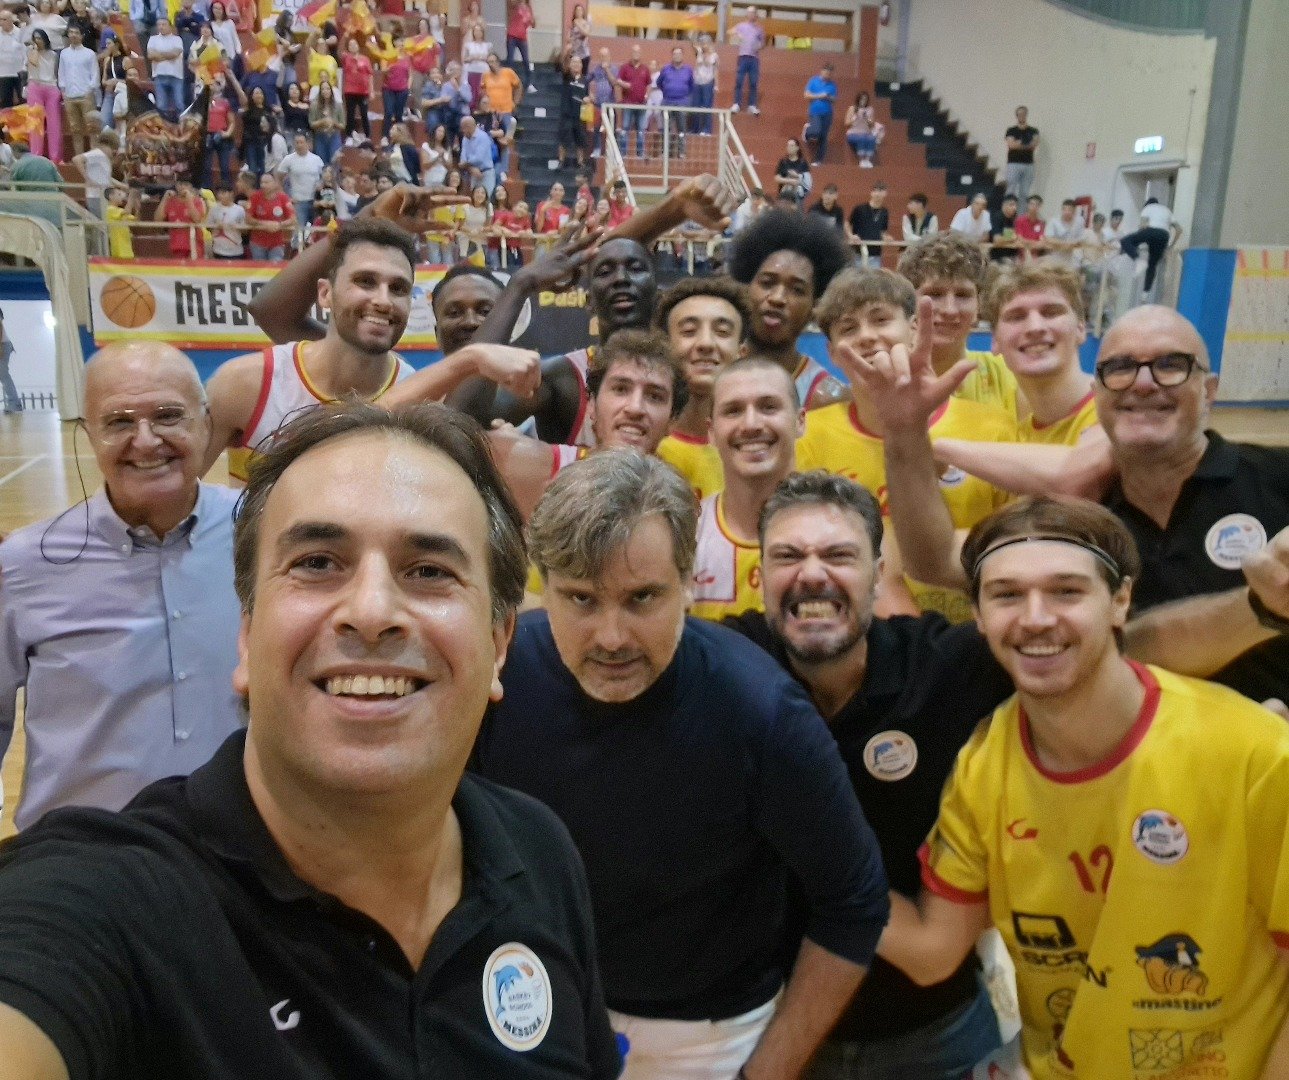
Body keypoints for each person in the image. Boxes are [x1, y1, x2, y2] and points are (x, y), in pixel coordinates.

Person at [0, 402, 625, 1079]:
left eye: (429, 571)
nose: (372, 612)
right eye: (319, 561)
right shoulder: (115, 901)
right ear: (245, 633)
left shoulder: (538, 850)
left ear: (499, 646)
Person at [474, 450, 890, 1079]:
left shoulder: (763, 714)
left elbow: (854, 904)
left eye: (641, 598)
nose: (612, 637)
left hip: (706, 1039)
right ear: (543, 586)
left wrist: (765, 1074)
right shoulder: (494, 681)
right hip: (527, 1000)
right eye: (582, 600)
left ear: (688, 581)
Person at [880, 495, 1289, 1079]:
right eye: (1007, 595)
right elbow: (933, 952)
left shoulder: (1252, 752)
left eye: (1067, 591)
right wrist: (805, 839)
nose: (1036, 617)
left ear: (1120, 600)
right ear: (977, 612)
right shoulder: (985, 762)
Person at [0, 343, 243, 832]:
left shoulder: (261, 530)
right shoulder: (22, 564)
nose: (146, 441)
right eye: (119, 422)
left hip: (236, 849)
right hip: (79, 859)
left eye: (168, 416)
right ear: (88, 433)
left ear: (205, 421)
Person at [215, 212, 540, 480]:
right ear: (325, 293)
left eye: (398, 288)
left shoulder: (422, 405)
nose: (383, 301)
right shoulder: (246, 383)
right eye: (365, 282)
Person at [797, 268, 1013, 621]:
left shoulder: (992, 427)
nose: (867, 336)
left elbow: (1015, 543)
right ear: (833, 353)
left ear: (914, 330)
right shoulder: (809, 438)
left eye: (880, 319)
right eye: (849, 328)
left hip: (973, 633)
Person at [689, 358, 801, 620]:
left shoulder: (842, 530)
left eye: (769, 407)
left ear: (801, 421)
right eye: (733, 411)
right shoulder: (683, 537)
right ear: (711, 432)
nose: (751, 424)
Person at [726, 206, 852, 409]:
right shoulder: (713, 376)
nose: (777, 298)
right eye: (767, 283)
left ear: (815, 307)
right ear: (745, 288)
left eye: (797, 290)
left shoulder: (829, 399)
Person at [897, 231, 1019, 416]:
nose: (950, 310)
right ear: (907, 303)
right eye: (935, 294)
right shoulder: (888, 380)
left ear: (979, 305)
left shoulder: (1009, 373)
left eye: (963, 295)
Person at [654, 275, 751, 501]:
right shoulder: (644, 446)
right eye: (689, 331)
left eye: (722, 332)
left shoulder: (759, 449)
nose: (706, 344)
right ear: (664, 347)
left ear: (742, 353)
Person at [1120, 197, 1182, 292]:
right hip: (1164, 236)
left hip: (1151, 231)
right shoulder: (1166, 210)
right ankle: (1145, 293)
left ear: (1147, 205)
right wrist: (1171, 246)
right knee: (1152, 264)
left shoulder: (1148, 208)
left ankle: (1138, 260)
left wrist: (1135, 245)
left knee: (1125, 241)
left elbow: (1143, 227)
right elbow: (1179, 229)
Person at [55, 23, 97, 157]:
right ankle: (79, 156)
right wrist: (63, 90)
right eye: (71, 32)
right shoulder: (64, 53)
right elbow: (61, 72)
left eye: (76, 32)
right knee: (75, 129)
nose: (73, 35)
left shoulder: (89, 54)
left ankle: (93, 155)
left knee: (91, 128)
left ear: (82, 36)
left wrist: (89, 91)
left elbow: (94, 74)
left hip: (85, 95)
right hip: (69, 95)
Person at [276, 132, 325, 245]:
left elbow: (323, 177)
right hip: (298, 202)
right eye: (296, 142)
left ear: (307, 143)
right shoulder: (288, 159)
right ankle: (296, 256)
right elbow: (279, 177)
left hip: (315, 202)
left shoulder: (316, 159)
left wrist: (321, 185)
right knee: (298, 234)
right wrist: (285, 196)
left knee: (315, 232)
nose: (299, 145)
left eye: (301, 142)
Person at [24, 30, 61, 162]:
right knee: (35, 123)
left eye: (40, 38)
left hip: (51, 87)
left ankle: (55, 157)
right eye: (35, 38)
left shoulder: (53, 55)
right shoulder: (30, 52)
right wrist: (34, 48)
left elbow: (57, 72)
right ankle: (36, 156)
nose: (37, 41)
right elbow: (34, 62)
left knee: (54, 124)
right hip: (35, 86)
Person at [245, 170, 295, 261]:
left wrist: (279, 225)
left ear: (275, 183)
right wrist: (265, 224)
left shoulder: (283, 198)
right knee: (259, 271)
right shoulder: (254, 197)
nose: (263, 185)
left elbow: (292, 219)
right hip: (257, 242)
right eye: (261, 182)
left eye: (266, 182)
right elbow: (248, 218)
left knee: (275, 269)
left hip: (277, 243)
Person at [155, 179, 207, 260]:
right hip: (176, 245)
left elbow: (197, 219)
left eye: (186, 184)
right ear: (176, 185)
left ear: (191, 187)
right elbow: (158, 220)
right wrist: (164, 199)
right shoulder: (170, 201)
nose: (182, 187)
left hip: (195, 245)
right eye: (180, 184)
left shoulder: (198, 201)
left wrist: (189, 200)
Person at [655, 47, 692, 160]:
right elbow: (659, 83)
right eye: (675, 54)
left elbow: (691, 85)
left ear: (682, 56)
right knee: (666, 128)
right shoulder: (665, 69)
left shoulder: (688, 70)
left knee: (682, 129)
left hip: (682, 103)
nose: (677, 56)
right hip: (667, 102)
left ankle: (681, 153)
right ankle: (666, 152)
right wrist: (668, 91)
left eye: (679, 54)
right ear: (672, 56)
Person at [147, 17, 186, 120]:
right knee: (161, 105)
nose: (161, 27)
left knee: (179, 104)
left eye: (164, 24)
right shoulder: (153, 39)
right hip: (159, 75)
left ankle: (181, 125)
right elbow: (150, 55)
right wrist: (167, 55)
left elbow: (175, 54)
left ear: (169, 26)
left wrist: (159, 55)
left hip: (176, 75)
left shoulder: (177, 39)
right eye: (159, 25)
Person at [615, 42, 649, 158]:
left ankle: (640, 153)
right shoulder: (625, 67)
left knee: (641, 129)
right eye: (634, 52)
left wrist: (647, 95)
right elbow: (618, 81)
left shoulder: (645, 68)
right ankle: (623, 153)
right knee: (625, 128)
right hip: (628, 103)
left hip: (641, 104)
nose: (636, 54)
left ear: (641, 54)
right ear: (631, 53)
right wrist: (626, 85)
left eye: (638, 52)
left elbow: (648, 84)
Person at [846, 182, 891, 269]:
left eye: (881, 191)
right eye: (875, 191)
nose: (878, 194)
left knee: (873, 281)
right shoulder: (860, 209)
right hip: (857, 253)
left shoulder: (885, 212)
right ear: (871, 193)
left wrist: (886, 237)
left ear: (885, 194)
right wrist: (851, 236)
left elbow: (882, 230)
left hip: (875, 254)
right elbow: (847, 224)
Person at [729, 5, 763, 115]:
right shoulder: (741, 25)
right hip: (743, 56)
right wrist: (737, 34)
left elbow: (762, 43)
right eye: (749, 12)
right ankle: (736, 104)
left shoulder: (759, 29)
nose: (750, 14)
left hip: (754, 58)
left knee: (753, 82)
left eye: (752, 12)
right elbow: (729, 32)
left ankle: (752, 105)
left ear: (756, 14)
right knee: (739, 81)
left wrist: (759, 46)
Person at [1003, 105, 1038, 205]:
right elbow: (1011, 145)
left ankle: (1021, 217)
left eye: (1023, 114)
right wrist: (1026, 145)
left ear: (1026, 115)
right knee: (1011, 190)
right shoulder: (1011, 130)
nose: (1021, 116)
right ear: (1017, 116)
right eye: (1019, 114)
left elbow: (1034, 144)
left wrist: (1018, 144)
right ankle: (1009, 216)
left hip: (1029, 164)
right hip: (1013, 164)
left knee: (1024, 193)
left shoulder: (1033, 131)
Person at [802, 61, 836, 166]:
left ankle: (818, 160)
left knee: (823, 136)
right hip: (815, 112)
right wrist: (819, 96)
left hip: (827, 113)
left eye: (830, 73)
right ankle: (807, 131)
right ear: (822, 71)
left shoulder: (832, 85)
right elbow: (806, 95)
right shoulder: (814, 81)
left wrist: (828, 97)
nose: (828, 74)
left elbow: (834, 99)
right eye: (826, 72)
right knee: (815, 131)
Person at [457, 113, 497, 197]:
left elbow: (479, 158)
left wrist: (465, 164)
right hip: (473, 173)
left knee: (485, 199)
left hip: (486, 173)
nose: (462, 130)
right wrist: (470, 168)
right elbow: (463, 157)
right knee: (474, 200)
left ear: (469, 126)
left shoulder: (483, 137)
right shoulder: (465, 138)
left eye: (463, 128)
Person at [340, 36, 372, 137]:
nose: (353, 46)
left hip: (363, 91)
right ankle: (349, 136)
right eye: (350, 45)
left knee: (364, 114)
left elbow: (370, 75)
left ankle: (367, 136)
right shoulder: (346, 57)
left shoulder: (365, 59)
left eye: (354, 44)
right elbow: (340, 50)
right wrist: (345, 35)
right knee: (350, 114)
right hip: (350, 91)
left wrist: (371, 91)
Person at [205, 184, 247, 258]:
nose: (220, 196)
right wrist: (216, 226)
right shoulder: (214, 209)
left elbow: (245, 231)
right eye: (219, 193)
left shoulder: (239, 210)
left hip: (235, 249)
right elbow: (208, 227)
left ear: (231, 193)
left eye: (223, 193)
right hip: (217, 249)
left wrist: (236, 227)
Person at [845, 90, 882, 167]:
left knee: (871, 138)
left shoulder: (870, 109)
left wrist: (867, 118)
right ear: (858, 99)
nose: (863, 101)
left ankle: (867, 160)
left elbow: (872, 125)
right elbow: (846, 123)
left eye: (865, 99)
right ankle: (861, 160)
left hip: (866, 132)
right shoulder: (852, 108)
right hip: (853, 133)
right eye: (861, 99)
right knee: (861, 138)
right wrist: (855, 117)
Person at [505, 0, 535, 90]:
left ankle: (529, 83)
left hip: (523, 37)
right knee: (510, 59)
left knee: (526, 60)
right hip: (512, 35)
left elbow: (533, 24)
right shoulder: (515, 4)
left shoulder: (529, 7)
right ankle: (508, 81)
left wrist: (532, 19)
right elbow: (511, 5)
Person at [690, 36, 717, 136]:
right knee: (695, 105)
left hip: (708, 82)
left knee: (707, 106)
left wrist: (716, 85)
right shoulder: (699, 53)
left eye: (705, 43)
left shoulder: (714, 55)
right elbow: (693, 45)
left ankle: (706, 129)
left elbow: (713, 69)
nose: (703, 45)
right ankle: (695, 128)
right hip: (697, 81)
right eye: (702, 43)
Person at [773, 138, 811, 207]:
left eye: (792, 146)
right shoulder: (783, 161)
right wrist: (790, 181)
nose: (789, 148)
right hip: (784, 195)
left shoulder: (803, 163)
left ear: (797, 148)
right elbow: (777, 178)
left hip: (797, 196)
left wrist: (797, 176)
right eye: (788, 145)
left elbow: (807, 180)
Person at [0, 10, 24, 110]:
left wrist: (24, 69)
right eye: (0, 19)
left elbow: (25, 53)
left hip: (20, 72)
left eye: (4, 19)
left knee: (22, 100)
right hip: (3, 73)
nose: (1, 22)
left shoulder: (20, 33)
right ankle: (7, 125)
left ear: (11, 20)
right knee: (5, 102)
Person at [988, 193, 1020, 262]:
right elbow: (997, 240)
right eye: (1011, 205)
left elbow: (1009, 238)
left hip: (1009, 255)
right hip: (997, 256)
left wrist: (1012, 238)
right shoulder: (997, 218)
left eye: (1015, 205)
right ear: (1004, 205)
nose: (1014, 208)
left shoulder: (1011, 219)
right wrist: (1012, 238)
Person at [0, 307, 21, 413]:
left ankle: (15, 403)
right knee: (3, 374)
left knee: (3, 374)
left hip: (3, 344)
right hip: (3, 344)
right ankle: (14, 403)